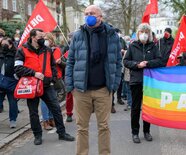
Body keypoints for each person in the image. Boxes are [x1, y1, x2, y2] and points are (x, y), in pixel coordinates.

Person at [65, 5, 122, 155]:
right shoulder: (78, 35)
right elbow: (70, 61)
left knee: (104, 127)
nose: (88, 16)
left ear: (100, 17)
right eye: (86, 13)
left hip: (103, 89)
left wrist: (114, 85)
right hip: (81, 91)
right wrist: (70, 86)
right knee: (81, 127)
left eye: (92, 13)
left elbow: (117, 62)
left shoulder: (112, 36)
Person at [14, 28, 75, 145]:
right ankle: (37, 135)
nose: (43, 39)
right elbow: (17, 68)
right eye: (40, 37)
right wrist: (33, 73)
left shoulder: (47, 50)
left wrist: (52, 78)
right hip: (32, 86)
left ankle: (62, 133)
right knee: (33, 113)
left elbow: (52, 66)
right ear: (33, 38)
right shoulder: (22, 50)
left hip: (47, 86)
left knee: (56, 109)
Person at [123, 23, 162, 144]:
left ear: (149, 34)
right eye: (142, 32)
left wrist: (148, 63)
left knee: (147, 108)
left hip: (149, 82)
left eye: (146, 32)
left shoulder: (154, 46)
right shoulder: (133, 46)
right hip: (136, 81)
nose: (144, 35)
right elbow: (126, 61)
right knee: (135, 108)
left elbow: (160, 60)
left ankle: (147, 131)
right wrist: (137, 65)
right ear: (138, 33)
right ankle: (135, 133)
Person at [40, 32, 63, 130]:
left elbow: (55, 61)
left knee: (52, 100)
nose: (44, 41)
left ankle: (51, 118)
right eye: (43, 39)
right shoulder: (40, 50)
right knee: (44, 101)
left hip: (53, 77)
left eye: (46, 39)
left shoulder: (55, 50)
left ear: (50, 40)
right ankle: (45, 120)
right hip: (42, 77)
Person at [0, 37, 19, 128]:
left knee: (12, 102)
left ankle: (13, 120)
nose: (3, 46)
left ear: (10, 45)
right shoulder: (1, 54)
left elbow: (18, 68)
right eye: (2, 44)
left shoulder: (15, 55)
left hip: (12, 82)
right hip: (1, 83)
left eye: (5, 44)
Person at [111, 28, 126, 113]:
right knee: (112, 87)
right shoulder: (110, 40)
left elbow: (126, 49)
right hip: (111, 66)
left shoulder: (122, 41)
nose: (118, 34)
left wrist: (123, 51)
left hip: (120, 64)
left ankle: (119, 98)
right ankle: (111, 104)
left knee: (120, 83)